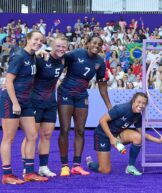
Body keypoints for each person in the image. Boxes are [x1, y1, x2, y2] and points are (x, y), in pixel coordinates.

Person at [57, 35, 112, 176]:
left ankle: (76, 165)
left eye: (100, 44)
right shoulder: (75, 54)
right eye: (94, 43)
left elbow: (102, 86)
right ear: (87, 43)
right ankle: (64, 166)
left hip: (82, 96)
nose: (97, 46)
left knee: (80, 130)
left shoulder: (100, 61)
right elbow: (56, 66)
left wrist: (109, 107)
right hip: (65, 93)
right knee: (65, 129)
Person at [1, 31, 48, 184]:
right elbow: (8, 81)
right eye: (35, 39)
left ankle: (29, 173)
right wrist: (15, 102)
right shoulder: (19, 56)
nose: (38, 42)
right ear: (28, 39)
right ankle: (7, 175)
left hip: (26, 102)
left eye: (41, 40)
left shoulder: (33, 56)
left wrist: (41, 54)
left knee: (32, 136)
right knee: (9, 138)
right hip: (11, 100)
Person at [20, 34, 68, 178]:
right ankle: (26, 168)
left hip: (50, 103)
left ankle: (43, 167)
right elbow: (27, 53)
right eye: (58, 46)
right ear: (51, 46)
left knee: (46, 135)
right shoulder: (40, 58)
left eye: (63, 47)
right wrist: (38, 52)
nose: (60, 49)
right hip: (34, 101)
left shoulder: (64, 60)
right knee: (31, 136)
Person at [85, 93, 162, 175]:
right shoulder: (121, 108)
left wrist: (158, 140)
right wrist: (111, 138)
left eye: (144, 103)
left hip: (117, 134)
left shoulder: (138, 116)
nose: (141, 105)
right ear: (133, 101)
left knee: (138, 137)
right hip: (102, 135)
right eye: (139, 102)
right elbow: (102, 120)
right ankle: (90, 164)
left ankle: (130, 167)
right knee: (105, 170)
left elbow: (142, 133)